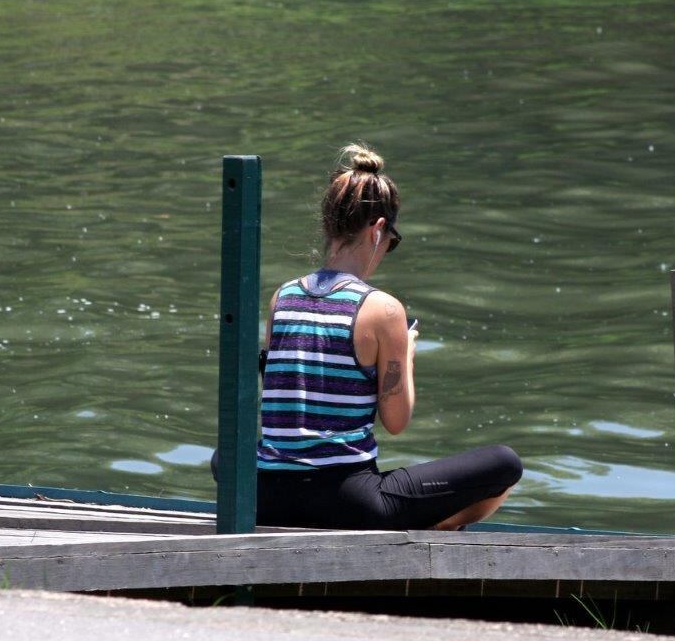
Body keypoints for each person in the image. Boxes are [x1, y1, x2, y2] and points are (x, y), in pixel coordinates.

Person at [214, 143, 522, 530]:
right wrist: (405, 355)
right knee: (504, 464)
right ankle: (441, 528)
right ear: (378, 231)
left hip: (264, 498)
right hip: (348, 501)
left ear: (328, 225)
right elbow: (396, 421)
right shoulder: (383, 309)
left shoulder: (283, 296)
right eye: (391, 242)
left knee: (222, 458)